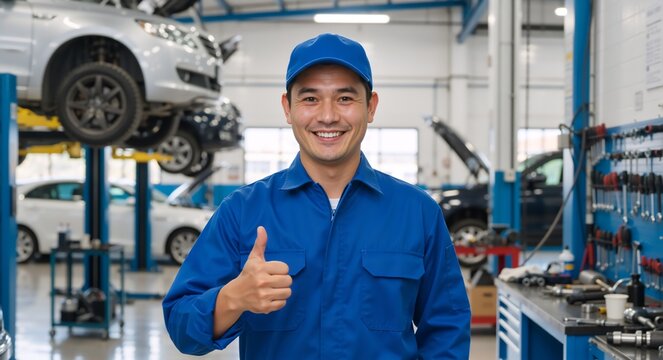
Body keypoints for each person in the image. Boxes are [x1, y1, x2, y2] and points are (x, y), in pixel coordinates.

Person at [163, 32, 471, 359]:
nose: (327, 116)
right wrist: (232, 298)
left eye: (345, 98)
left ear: (371, 107)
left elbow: (447, 327)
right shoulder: (243, 211)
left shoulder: (417, 212)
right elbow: (181, 325)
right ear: (288, 108)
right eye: (310, 99)